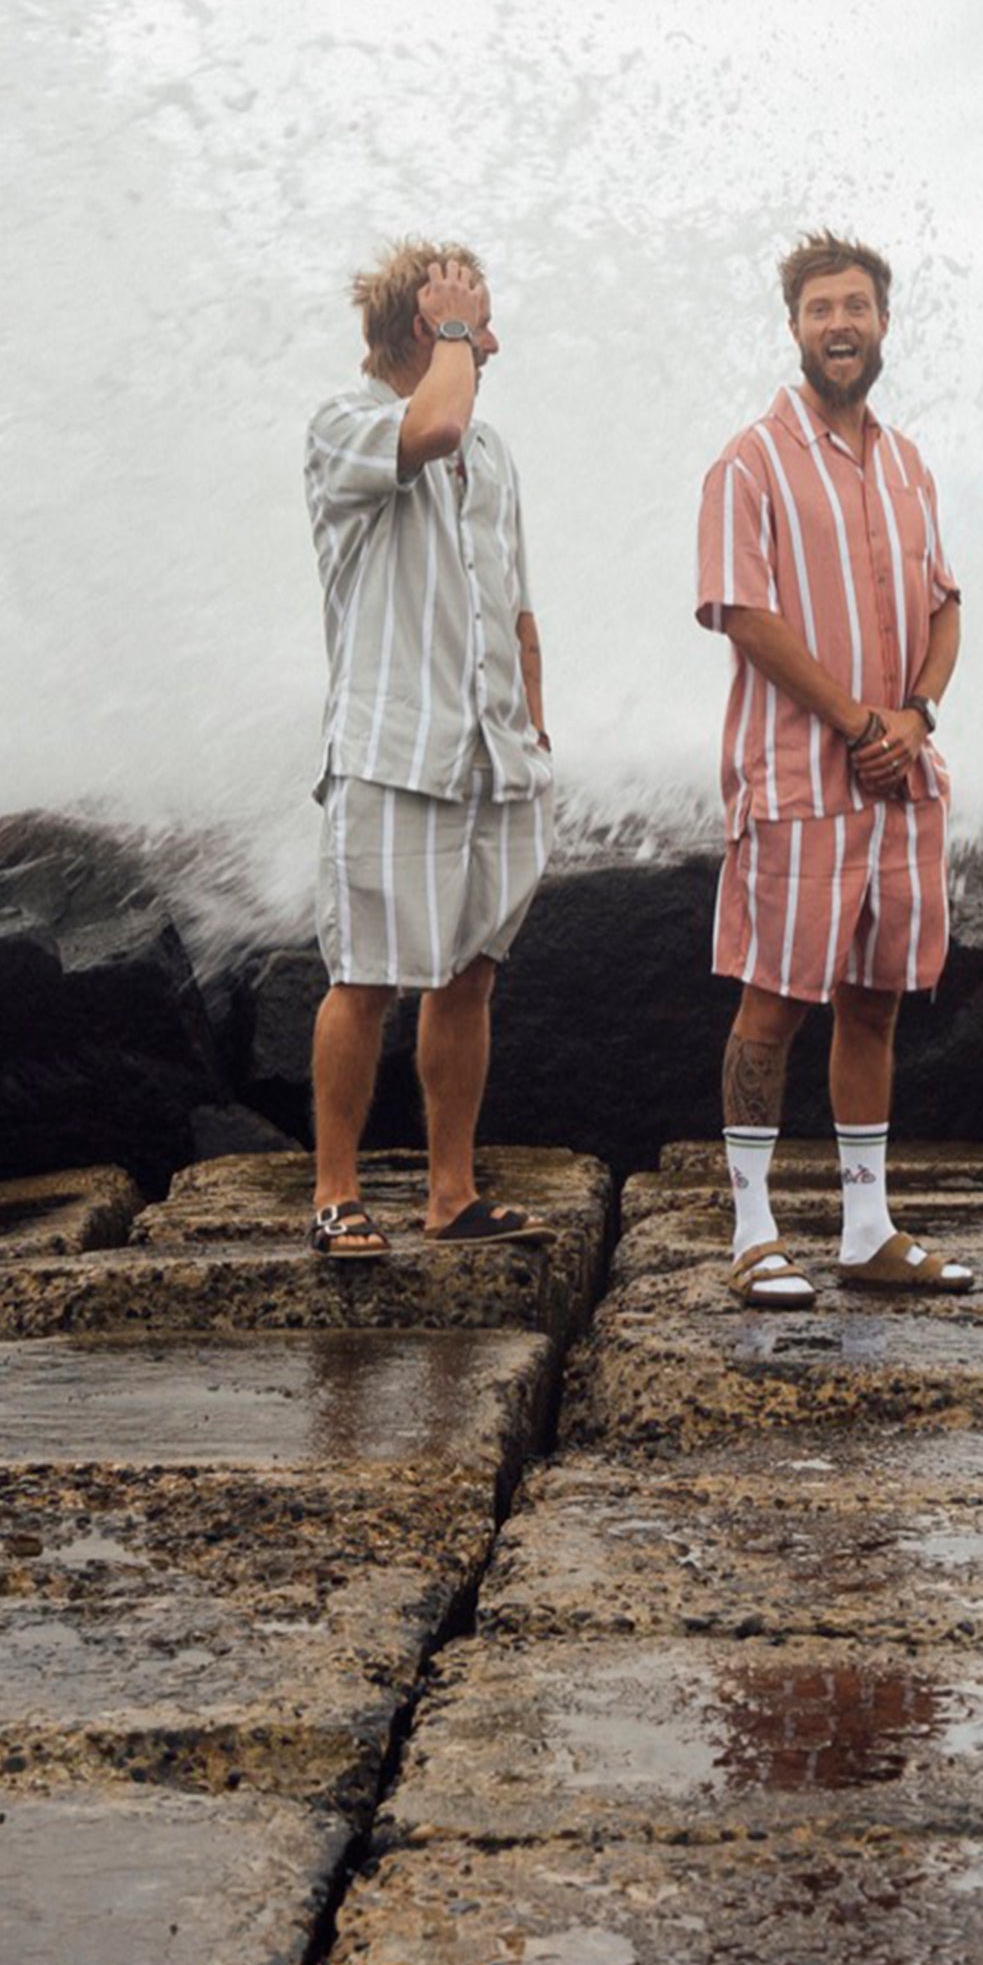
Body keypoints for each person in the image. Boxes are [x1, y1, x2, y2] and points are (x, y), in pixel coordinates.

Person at [695, 230, 973, 1306]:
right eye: (820, 309)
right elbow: (745, 616)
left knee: (875, 1004)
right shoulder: (750, 461)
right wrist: (860, 721)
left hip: (902, 786)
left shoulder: (908, 465)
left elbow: (947, 606)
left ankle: (866, 1229)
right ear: (795, 327)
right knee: (773, 1003)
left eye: (856, 305)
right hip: (798, 783)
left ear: (885, 322)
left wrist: (915, 713)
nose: (840, 324)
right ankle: (754, 1232)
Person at [302, 240, 557, 1255]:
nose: (490, 344)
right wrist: (455, 329)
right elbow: (436, 419)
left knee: (467, 977)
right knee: (365, 976)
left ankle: (452, 1195)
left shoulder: (492, 457)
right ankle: (335, 1193)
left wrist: (537, 731)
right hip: (390, 750)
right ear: (428, 328)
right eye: (471, 323)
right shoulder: (346, 427)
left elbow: (519, 604)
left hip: (494, 757)